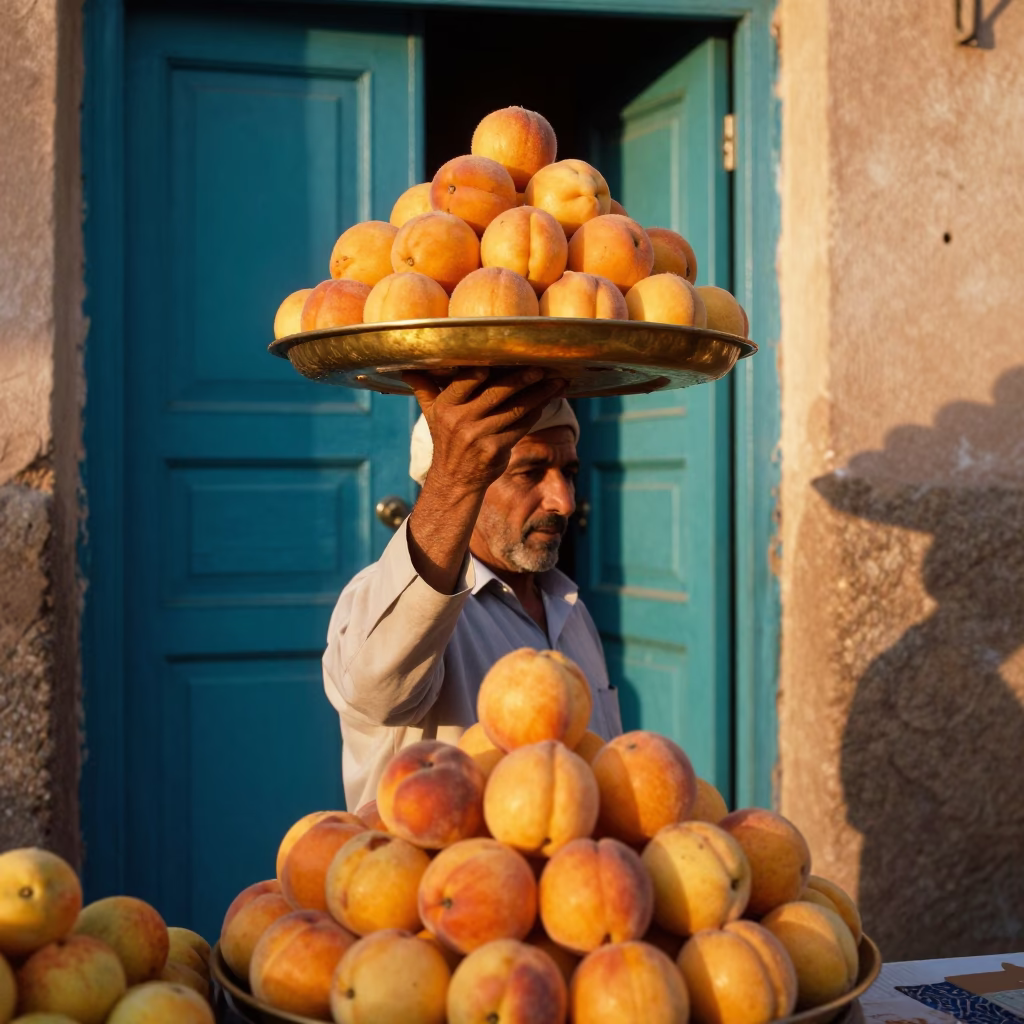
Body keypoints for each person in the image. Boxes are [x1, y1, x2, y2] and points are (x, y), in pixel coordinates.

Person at [322, 367, 623, 811]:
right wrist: (453, 482)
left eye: (568, 472)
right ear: (466, 478)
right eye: (530, 472)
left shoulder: (569, 607)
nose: (563, 501)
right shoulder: (381, 602)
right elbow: (377, 690)